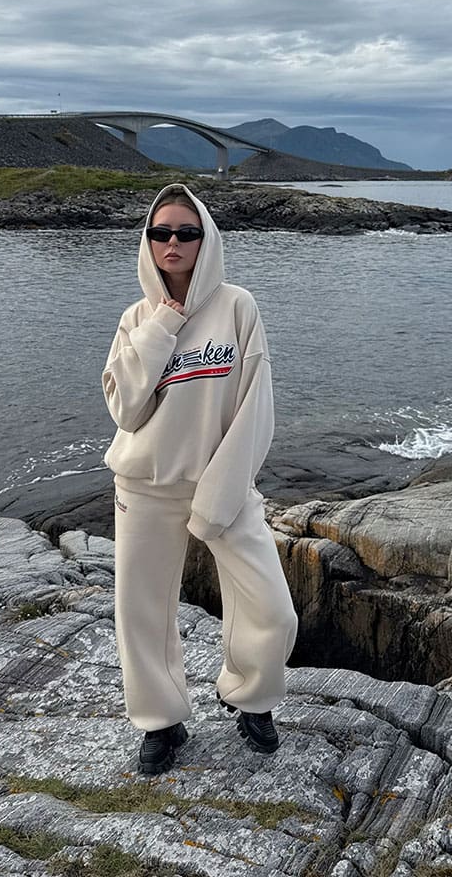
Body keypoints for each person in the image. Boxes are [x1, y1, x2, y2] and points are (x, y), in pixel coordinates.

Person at [102, 182, 298, 775]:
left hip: (224, 482)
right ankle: (161, 721)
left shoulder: (238, 307)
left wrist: (219, 494)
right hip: (144, 485)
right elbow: (126, 410)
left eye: (186, 232)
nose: (173, 243)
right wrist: (162, 323)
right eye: (160, 232)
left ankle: (251, 698)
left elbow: (255, 407)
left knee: (272, 607)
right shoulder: (136, 319)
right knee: (142, 610)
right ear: (148, 240)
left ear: (205, 239)